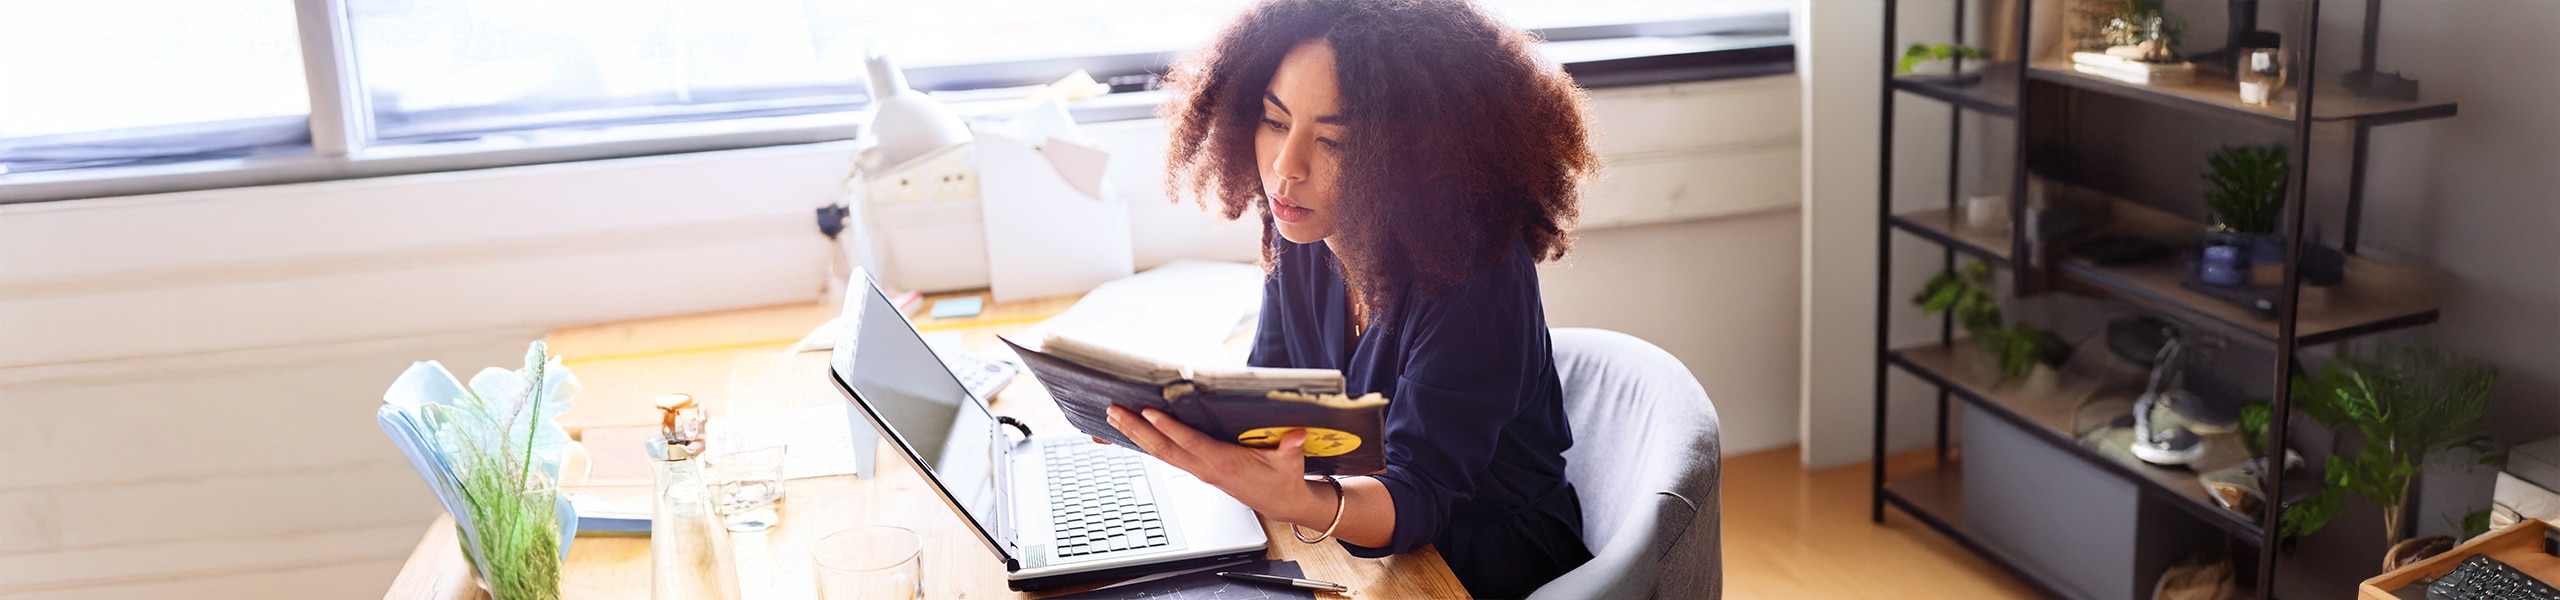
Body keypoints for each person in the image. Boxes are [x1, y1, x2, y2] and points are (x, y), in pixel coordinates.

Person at [1102, 0, 1601, 596]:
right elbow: (1278, 394)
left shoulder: (1474, 281)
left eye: (1334, 141)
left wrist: (1297, 497)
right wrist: (1174, 423)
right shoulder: (1303, 228)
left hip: (1485, 565)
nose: (1287, 169)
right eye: (1274, 120)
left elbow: (1417, 498)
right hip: (1356, 539)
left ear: (1417, 154)